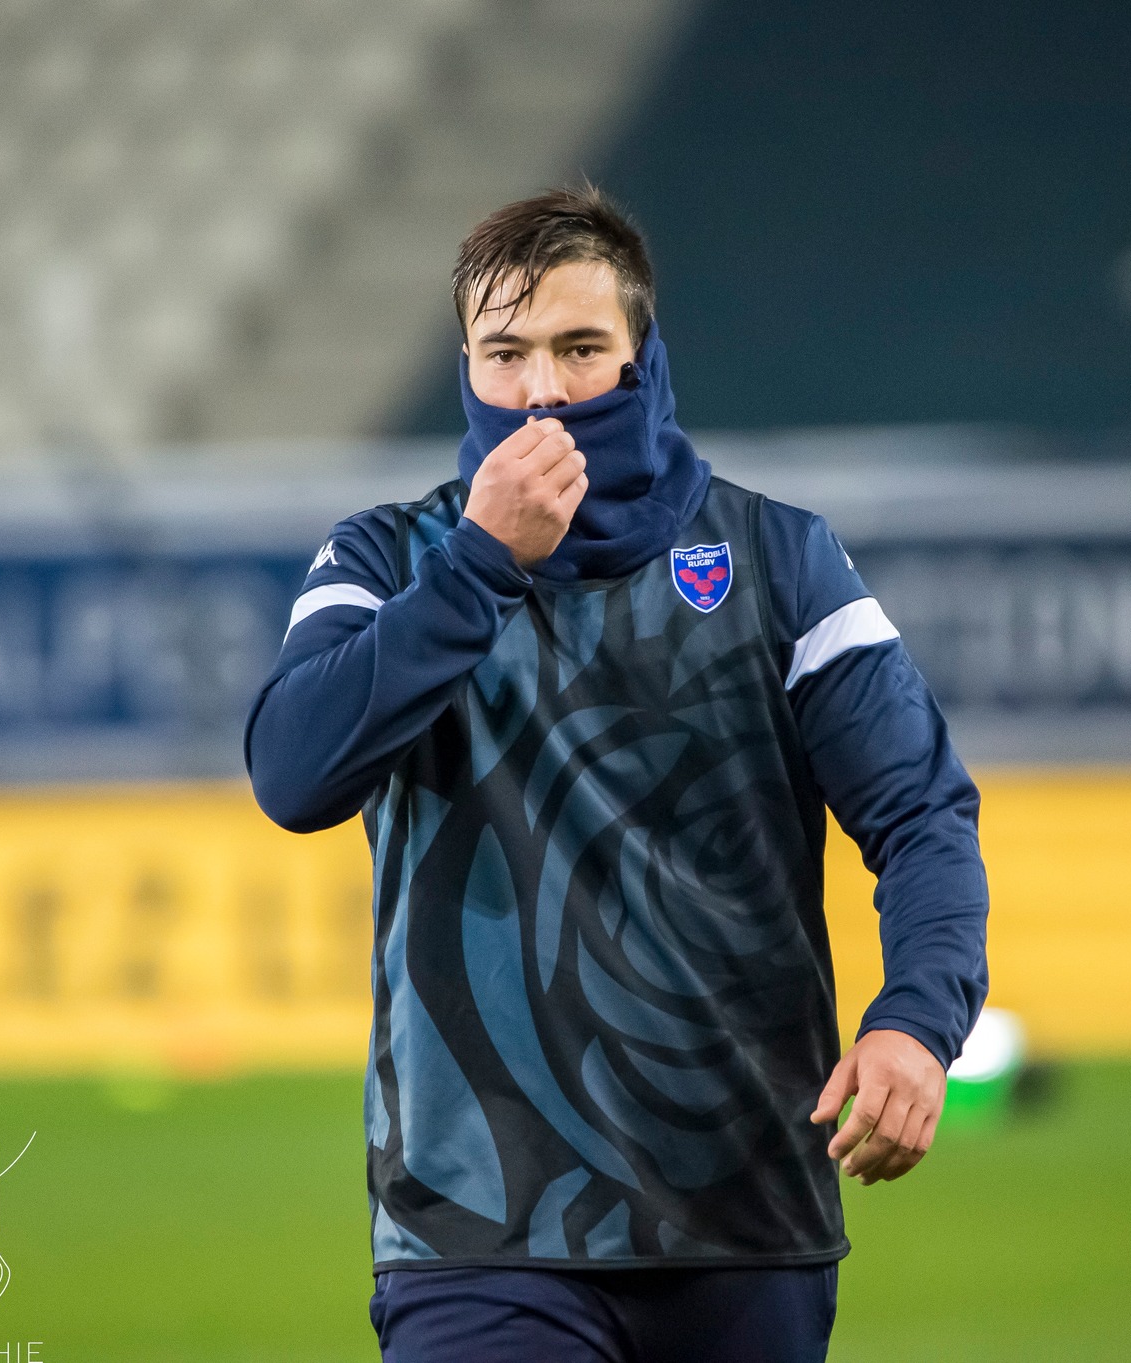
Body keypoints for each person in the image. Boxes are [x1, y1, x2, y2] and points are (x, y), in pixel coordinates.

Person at [245, 186, 989, 1363]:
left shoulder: (776, 557)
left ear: (642, 359)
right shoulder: (385, 558)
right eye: (506, 354)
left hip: (743, 1218)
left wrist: (914, 1022)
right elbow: (293, 775)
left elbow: (920, 815)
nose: (540, 391)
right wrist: (479, 564)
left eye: (579, 349)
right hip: (477, 1230)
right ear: (466, 370)